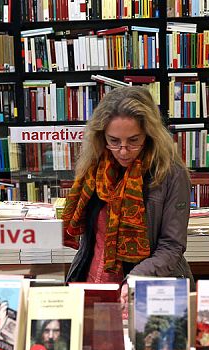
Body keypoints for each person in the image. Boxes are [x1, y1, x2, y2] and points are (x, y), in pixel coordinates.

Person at [62, 86, 193, 299]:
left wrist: (135, 279)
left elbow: (172, 246)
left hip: (148, 289)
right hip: (93, 283)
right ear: (101, 135)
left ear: (150, 135)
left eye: (133, 140)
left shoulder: (170, 174)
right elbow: (90, 240)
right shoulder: (94, 168)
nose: (123, 150)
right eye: (114, 141)